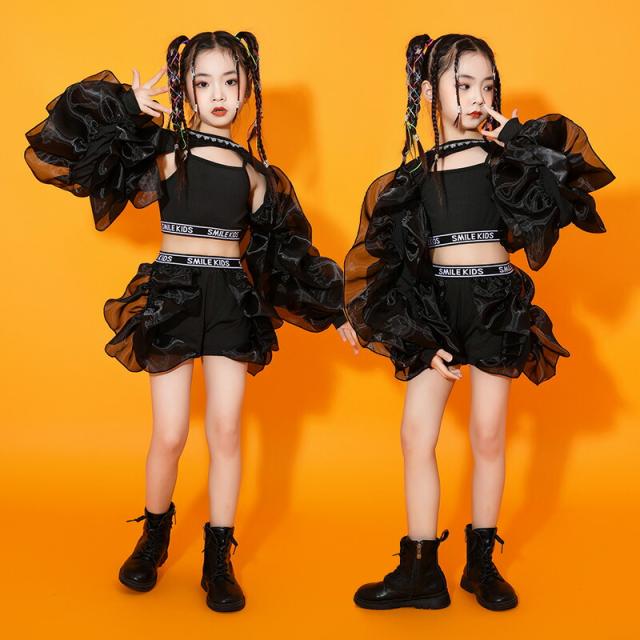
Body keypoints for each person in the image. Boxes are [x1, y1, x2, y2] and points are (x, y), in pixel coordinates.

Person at [24, 30, 357, 613]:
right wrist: (123, 106)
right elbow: (70, 153)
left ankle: (218, 556)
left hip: (230, 298)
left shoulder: (257, 175)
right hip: (174, 292)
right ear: (186, 89)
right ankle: (153, 536)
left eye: (231, 81)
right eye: (204, 83)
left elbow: (286, 257)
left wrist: (336, 313)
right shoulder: (166, 152)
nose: (219, 94)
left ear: (248, 88)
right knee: (171, 432)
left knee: (225, 430)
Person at [343, 32, 614, 612]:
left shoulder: (507, 163)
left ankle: (481, 562)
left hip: (493, 300)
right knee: (416, 434)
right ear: (428, 92)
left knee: (489, 433)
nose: (476, 97)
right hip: (434, 307)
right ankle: (421, 568)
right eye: (462, 84)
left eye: (487, 86)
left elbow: (571, 191)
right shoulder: (412, 178)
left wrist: (519, 143)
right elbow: (389, 263)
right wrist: (411, 336)